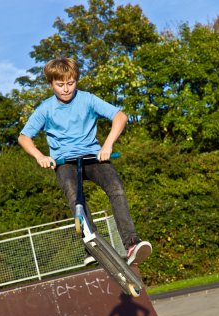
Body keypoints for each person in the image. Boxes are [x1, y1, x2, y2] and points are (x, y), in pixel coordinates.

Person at [18, 57, 152, 266]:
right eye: (60, 85)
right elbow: (24, 137)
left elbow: (120, 116)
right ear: (51, 84)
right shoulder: (45, 109)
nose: (66, 89)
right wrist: (40, 156)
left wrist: (107, 146)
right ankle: (92, 245)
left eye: (70, 83)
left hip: (93, 156)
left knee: (116, 188)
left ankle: (132, 242)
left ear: (76, 80)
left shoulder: (87, 99)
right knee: (75, 197)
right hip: (65, 162)